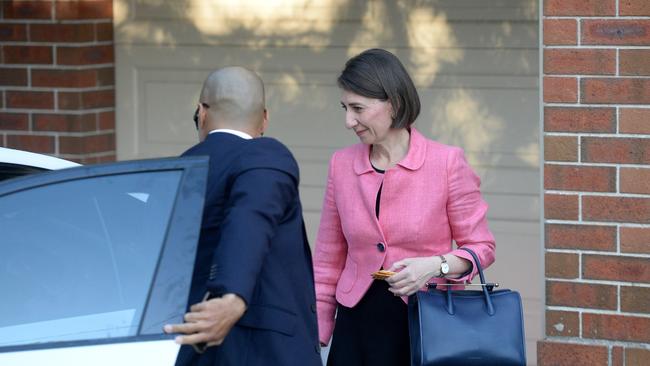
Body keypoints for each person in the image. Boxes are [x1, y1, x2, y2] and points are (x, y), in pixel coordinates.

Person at [313, 48, 496, 365]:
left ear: (393, 104)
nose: (348, 121)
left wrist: (434, 266)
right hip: (355, 331)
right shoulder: (340, 165)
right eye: (345, 108)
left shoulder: (447, 163)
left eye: (357, 108)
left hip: (423, 328)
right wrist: (315, 333)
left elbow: (481, 247)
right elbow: (327, 261)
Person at [164, 67, 322, 366]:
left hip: (191, 351)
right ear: (265, 118)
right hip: (264, 353)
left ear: (201, 112)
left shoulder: (176, 172)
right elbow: (251, 218)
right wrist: (232, 296)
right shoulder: (265, 154)